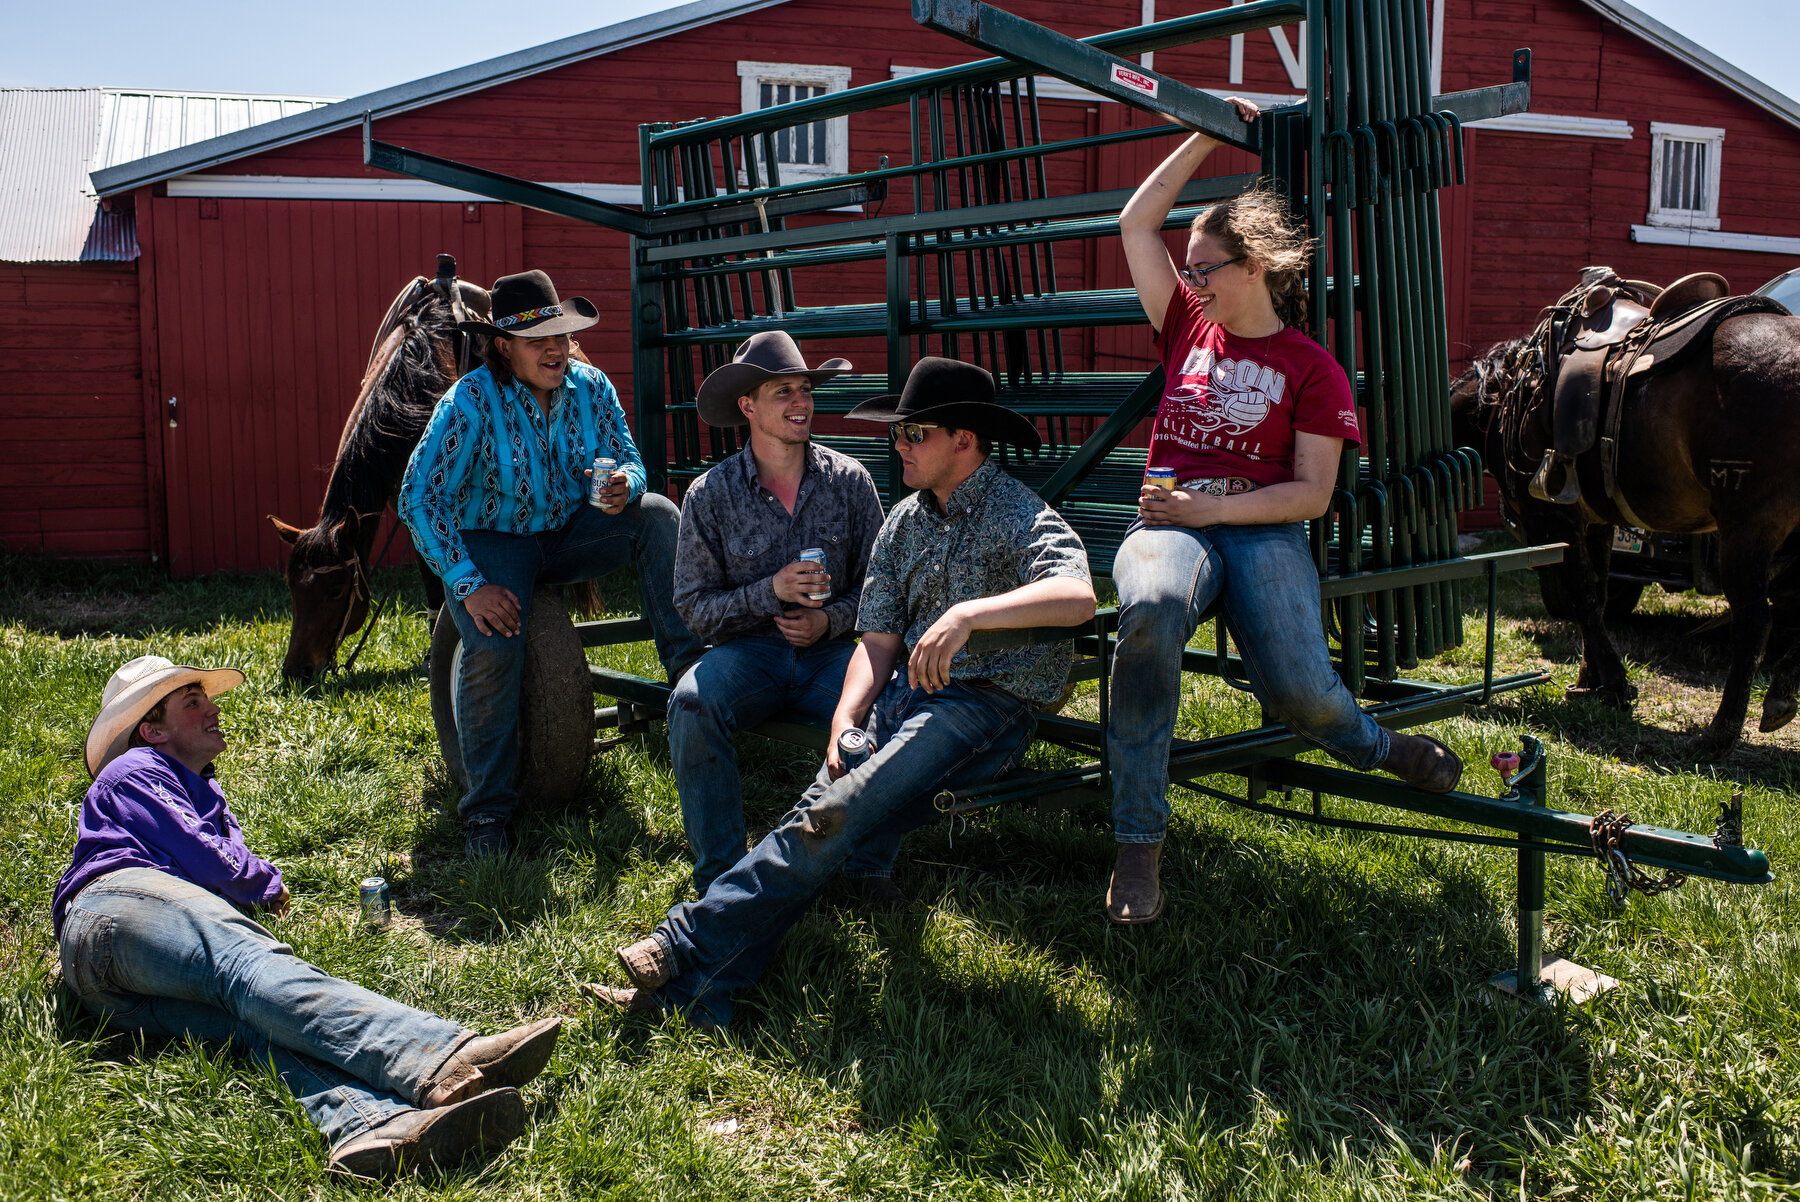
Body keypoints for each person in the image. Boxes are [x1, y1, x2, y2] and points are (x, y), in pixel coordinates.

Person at [584, 358, 1096, 1030]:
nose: (899, 444)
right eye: (899, 433)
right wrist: (848, 717)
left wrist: (973, 614)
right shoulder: (906, 521)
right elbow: (878, 639)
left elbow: (1079, 596)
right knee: (817, 815)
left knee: (835, 817)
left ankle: (682, 942)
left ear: (963, 441)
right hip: (902, 698)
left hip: (984, 707)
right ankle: (697, 997)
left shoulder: (1015, 511)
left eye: (915, 434)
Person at [1104, 100, 1464, 925]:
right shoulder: (1183, 326)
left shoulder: (1312, 369)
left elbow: (1313, 493)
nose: (1190, 282)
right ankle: (1137, 843)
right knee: (1152, 613)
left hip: (1261, 526)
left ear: (1256, 265)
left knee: (1304, 689)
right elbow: (1135, 221)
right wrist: (1207, 133)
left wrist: (1214, 511)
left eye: (1206, 269)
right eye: (1187, 269)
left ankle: (1381, 748)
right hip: (1167, 528)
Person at [54, 656, 563, 1180]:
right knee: (248, 966)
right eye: (192, 702)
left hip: (118, 992)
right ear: (152, 730)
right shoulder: (134, 770)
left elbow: (223, 867)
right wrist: (266, 883)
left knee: (254, 1024)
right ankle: (439, 1056)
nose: (212, 708)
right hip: (114, 908)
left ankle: (371, 1126)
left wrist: (250, 881)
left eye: (207, 697)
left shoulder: (203, 794)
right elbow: (211, 860)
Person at [398, 270, 705, 858]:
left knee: (659, 514)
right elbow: (418, 495)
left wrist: (624, 483)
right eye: (539, 339)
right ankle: (486, 812)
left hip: (568, 532)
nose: (556, 349)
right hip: (494, 538)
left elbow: (630, 456)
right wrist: (465, 585)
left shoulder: (592, 387)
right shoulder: (469, 401)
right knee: (494, 641)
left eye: (562, 335)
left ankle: (694, 692)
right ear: (503, 345)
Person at [670, 331, 896, 898]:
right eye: (782, 392)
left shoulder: (850, 482)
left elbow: (883, 593)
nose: (801, 403)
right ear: (747, 406)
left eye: (805, 390)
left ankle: (867, 867)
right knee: (692, 703)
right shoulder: (710, 494)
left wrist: (830, 621)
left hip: (832, 657)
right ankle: (720, 878)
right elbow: (695, 609)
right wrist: (768, 591)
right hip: (749, 654)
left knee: (884, 714)